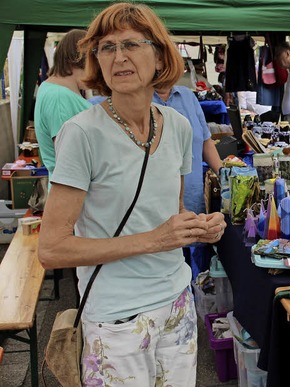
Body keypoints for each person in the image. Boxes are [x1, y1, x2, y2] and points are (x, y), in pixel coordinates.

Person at [38, 3, 226, 385]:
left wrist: (201, 227)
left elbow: (169, 214)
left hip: (176, 302)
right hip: (116, 318)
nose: (119, 57)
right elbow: (52, 249)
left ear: (158, 55)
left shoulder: (177, 126)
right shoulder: (82, 133)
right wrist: (154, 240)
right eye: (106, 48)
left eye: (130, 45)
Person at [153, 85, 223, 280]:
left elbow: (205, 140)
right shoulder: (140, 96)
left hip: (191, 193)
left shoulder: (186, 96)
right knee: (167, 264)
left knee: (198, 259)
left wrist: (224, 174)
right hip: (158, 203)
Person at [35, 29, 92, 179]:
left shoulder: (52, 89)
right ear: (78, 59)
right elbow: (70, 160)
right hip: (76, 192)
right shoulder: (59, 97)